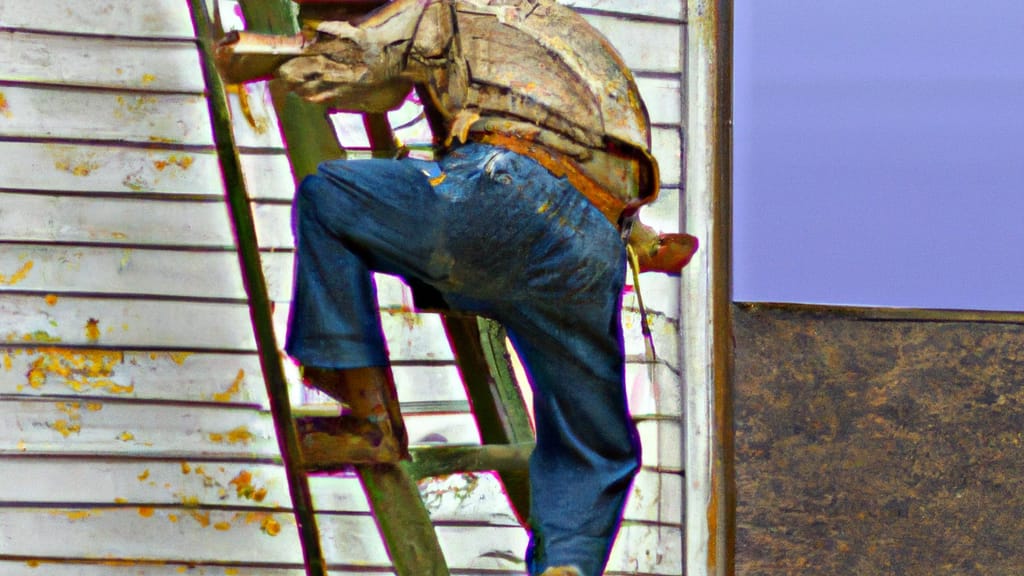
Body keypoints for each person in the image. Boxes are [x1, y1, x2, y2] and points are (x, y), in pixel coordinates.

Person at [218, 1, 697, 574]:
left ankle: (358, 395)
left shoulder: (441, 6)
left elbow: (361, 63)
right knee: (593, 440)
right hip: (594, 243)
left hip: (505, 194)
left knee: (330, 196)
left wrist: (258, 56)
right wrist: (645, 243)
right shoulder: (556, 34)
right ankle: (566, 563)